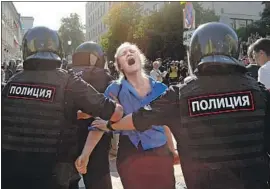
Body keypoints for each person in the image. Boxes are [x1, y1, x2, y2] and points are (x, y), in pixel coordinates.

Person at [92, 22, 270, 189]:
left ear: (194, 54)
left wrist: (109, 125)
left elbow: (139, 119)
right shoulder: (259, 92)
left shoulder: (179, 94)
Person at [1, 26, 123, 189]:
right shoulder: (68, 81)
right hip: (56, 177)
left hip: (12, 176)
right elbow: (114, 112)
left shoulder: (10, 84)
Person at [76, 42, 178, 189]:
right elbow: (99, 124)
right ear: (120, 65)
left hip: (160, 154)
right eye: (124, 54)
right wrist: (85, 155)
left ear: (140, 58)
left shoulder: (161, 89)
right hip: (130, 155)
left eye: (132, 51)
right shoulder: (114, 90)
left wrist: (172, 149)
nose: (129, 54)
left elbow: (166, 123)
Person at [71, 41, 114, 189]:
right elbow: (113, 107)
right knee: (99, 180)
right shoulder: (105, 77)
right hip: (98, 139)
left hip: (70, 139)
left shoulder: (67, 76)